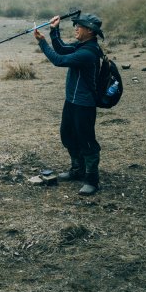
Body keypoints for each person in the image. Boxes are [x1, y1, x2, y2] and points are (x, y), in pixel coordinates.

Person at [33, 13, 105, 196]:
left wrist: (42, 43)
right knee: (67, 135)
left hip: (84, 104)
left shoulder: (88, 52)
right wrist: (53, 29)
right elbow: (62, 48)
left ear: (89, 30)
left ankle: (92, 180)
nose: (76, 28)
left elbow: (59, 60)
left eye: (79, 26)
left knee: (87, 141)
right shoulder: (81, 46)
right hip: (71, 100)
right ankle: (77, 170)